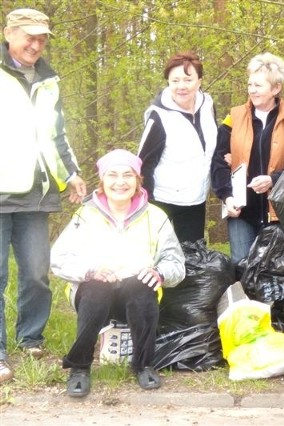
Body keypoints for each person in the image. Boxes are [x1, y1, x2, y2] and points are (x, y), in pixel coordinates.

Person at [50, 149, 185, 398]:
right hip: (93, 295)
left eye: (127, 175)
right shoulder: (85, 215)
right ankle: (79, 367)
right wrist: (89, 271)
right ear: (102, 182)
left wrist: (160, 273)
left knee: (143, 287)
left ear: (137, 181)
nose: (120, 182)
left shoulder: (156, 217)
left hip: (134, 296)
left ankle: (143, 365)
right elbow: (58, 259)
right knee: (95, 288)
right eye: (112, 175)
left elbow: (176, 263)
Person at [0, 8, 87, 384]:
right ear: (8, 34)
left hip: (37, 193)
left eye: (41, 38)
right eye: (28, 37)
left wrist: (72, 175)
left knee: (36, 272)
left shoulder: (49, 79)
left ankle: (30, 336)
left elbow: (57, 136)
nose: (35, 44)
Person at [211, 52, 284, 267]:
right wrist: (226, 197)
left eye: (258, 85)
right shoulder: (233, 118)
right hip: (241, 211)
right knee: (242, 267)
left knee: (276, 273)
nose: (252, 90)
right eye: (250, 85)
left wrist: (274, 179)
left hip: (281, 213)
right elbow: (218, 162)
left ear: (276, 88)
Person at [138, 51, 217, 243]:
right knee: (156, 257)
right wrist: (144, 204)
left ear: (199, 81)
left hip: (196, 199)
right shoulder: (159, 117)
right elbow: (142, 164)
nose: (181, 86)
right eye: (175, 81)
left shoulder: (208, 105)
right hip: (161, 200)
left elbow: (211, 145)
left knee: (193, 259)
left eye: (188, 80)